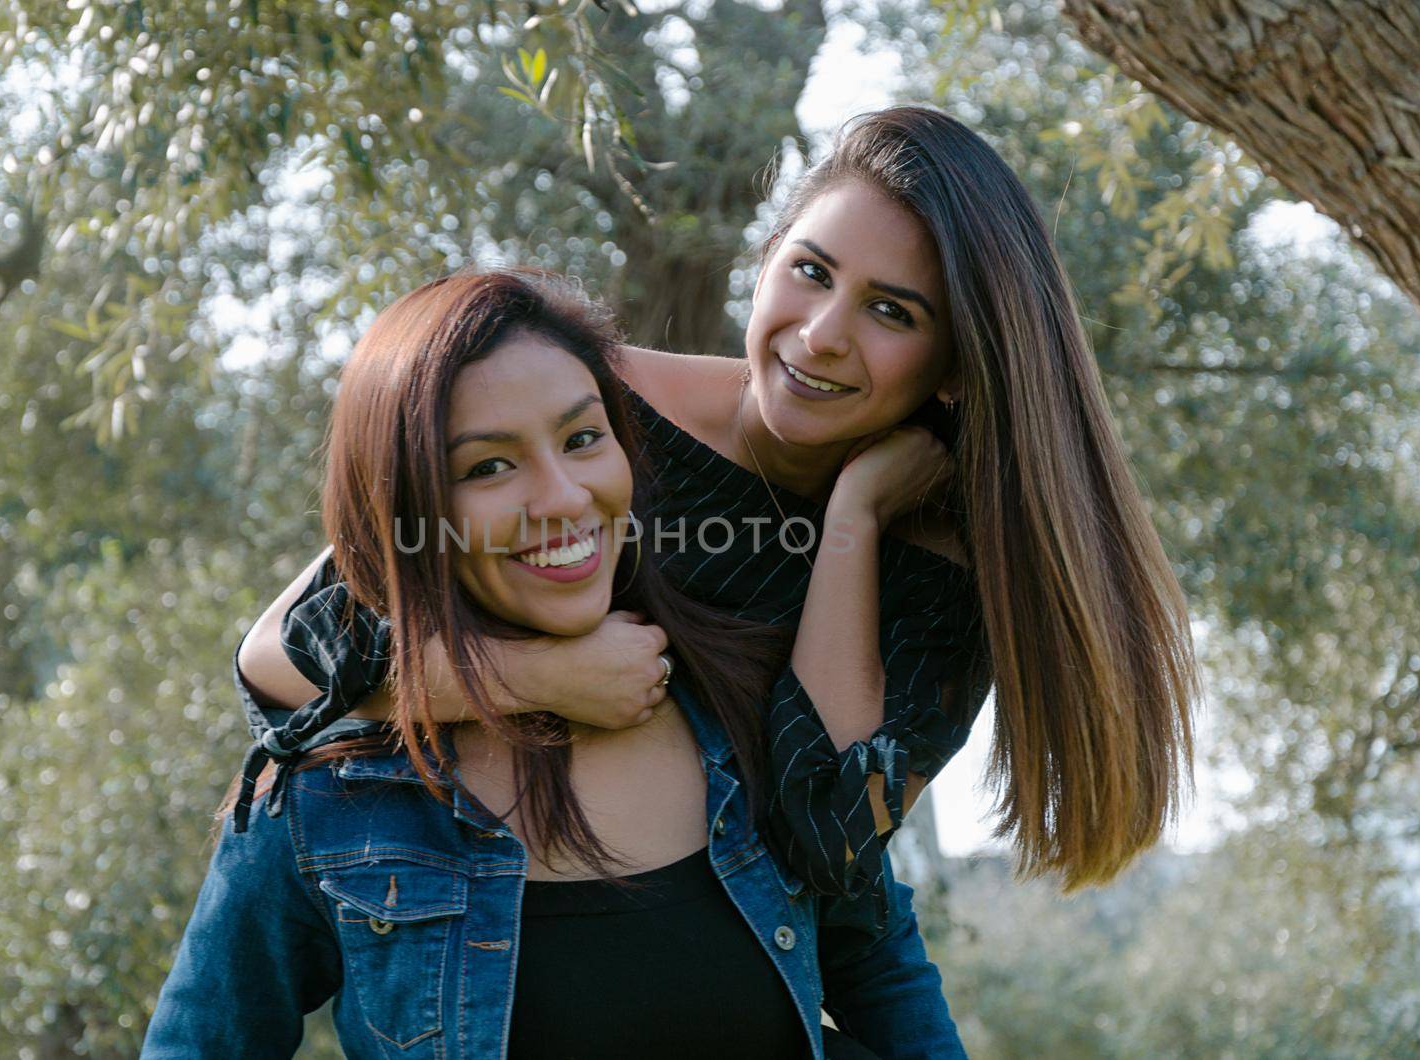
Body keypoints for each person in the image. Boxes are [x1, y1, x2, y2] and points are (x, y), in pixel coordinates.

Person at [237, 105, 1199, 910]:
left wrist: (854, 521)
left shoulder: (940, 574)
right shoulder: (593, 409)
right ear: (770, 255)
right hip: (472, 929)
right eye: (812, 272)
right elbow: (285, 658)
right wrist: (543, 676)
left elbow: (824, 844)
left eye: (890, 311)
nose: (821, 335)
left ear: (955, 367)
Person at [143, 270, 956, 1058]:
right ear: (407, 506)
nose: (565, 496)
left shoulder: (746, 714)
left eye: (582, 439)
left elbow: (885, 985)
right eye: (488, 466)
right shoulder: (328, 797)